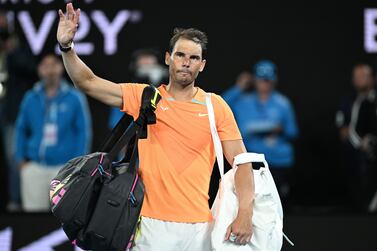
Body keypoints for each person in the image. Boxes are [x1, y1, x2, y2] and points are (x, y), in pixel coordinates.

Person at [57, 3, 254, 250]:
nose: (186, 62)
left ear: (202, 65)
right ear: (168, 58)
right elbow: (87, 82)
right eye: (180, 55)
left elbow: (242, 161)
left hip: (200, 230)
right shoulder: (145, 97)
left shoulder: (215, 106)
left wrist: (245, 213)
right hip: (149, 226)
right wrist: (67, 47)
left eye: (194, 58)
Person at [14, 53, 92, 212]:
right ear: (39, 70)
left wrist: (78, 164)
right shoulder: (31, 97)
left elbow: (83, 132)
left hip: (65, 168)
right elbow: (21, 129)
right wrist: (21, 159)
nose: (50, 70)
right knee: (33, 216)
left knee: (67, 214)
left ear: (61, 67)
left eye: (54, 65)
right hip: (35, 166)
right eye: (45, 66)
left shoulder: (74, 97)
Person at [223, 60, 298, 210]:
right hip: (249, 160)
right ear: (254, 80)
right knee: (248, 205)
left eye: (268, 80)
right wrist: (239, 87)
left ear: (274, 81)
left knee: (276, 206)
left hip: (277, 161)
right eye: (261, 80)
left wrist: (279, 130)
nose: (265, 84)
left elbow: (293, 131)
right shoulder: (243, 101)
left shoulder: (282, 103)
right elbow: (219, 106)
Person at [0, 10, 38, 212]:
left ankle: (15, 202)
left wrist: (13, 51)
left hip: (9, 110)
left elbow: (32, 69)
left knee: (13, 155)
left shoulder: (17, 45)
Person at [335, 63, 377, 213]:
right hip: (355, 156)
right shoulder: (349, 101)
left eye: (363, 76)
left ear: (373, 79)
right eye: (357, 77)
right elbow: (345, 131)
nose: (360, 80)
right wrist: (363, 144)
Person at [108, 48, 168, 130]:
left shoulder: (168, 92)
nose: (147, 61)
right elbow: (115, 124)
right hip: (134, 137)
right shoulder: (125, 92)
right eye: (143, 58)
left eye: (150, 58)